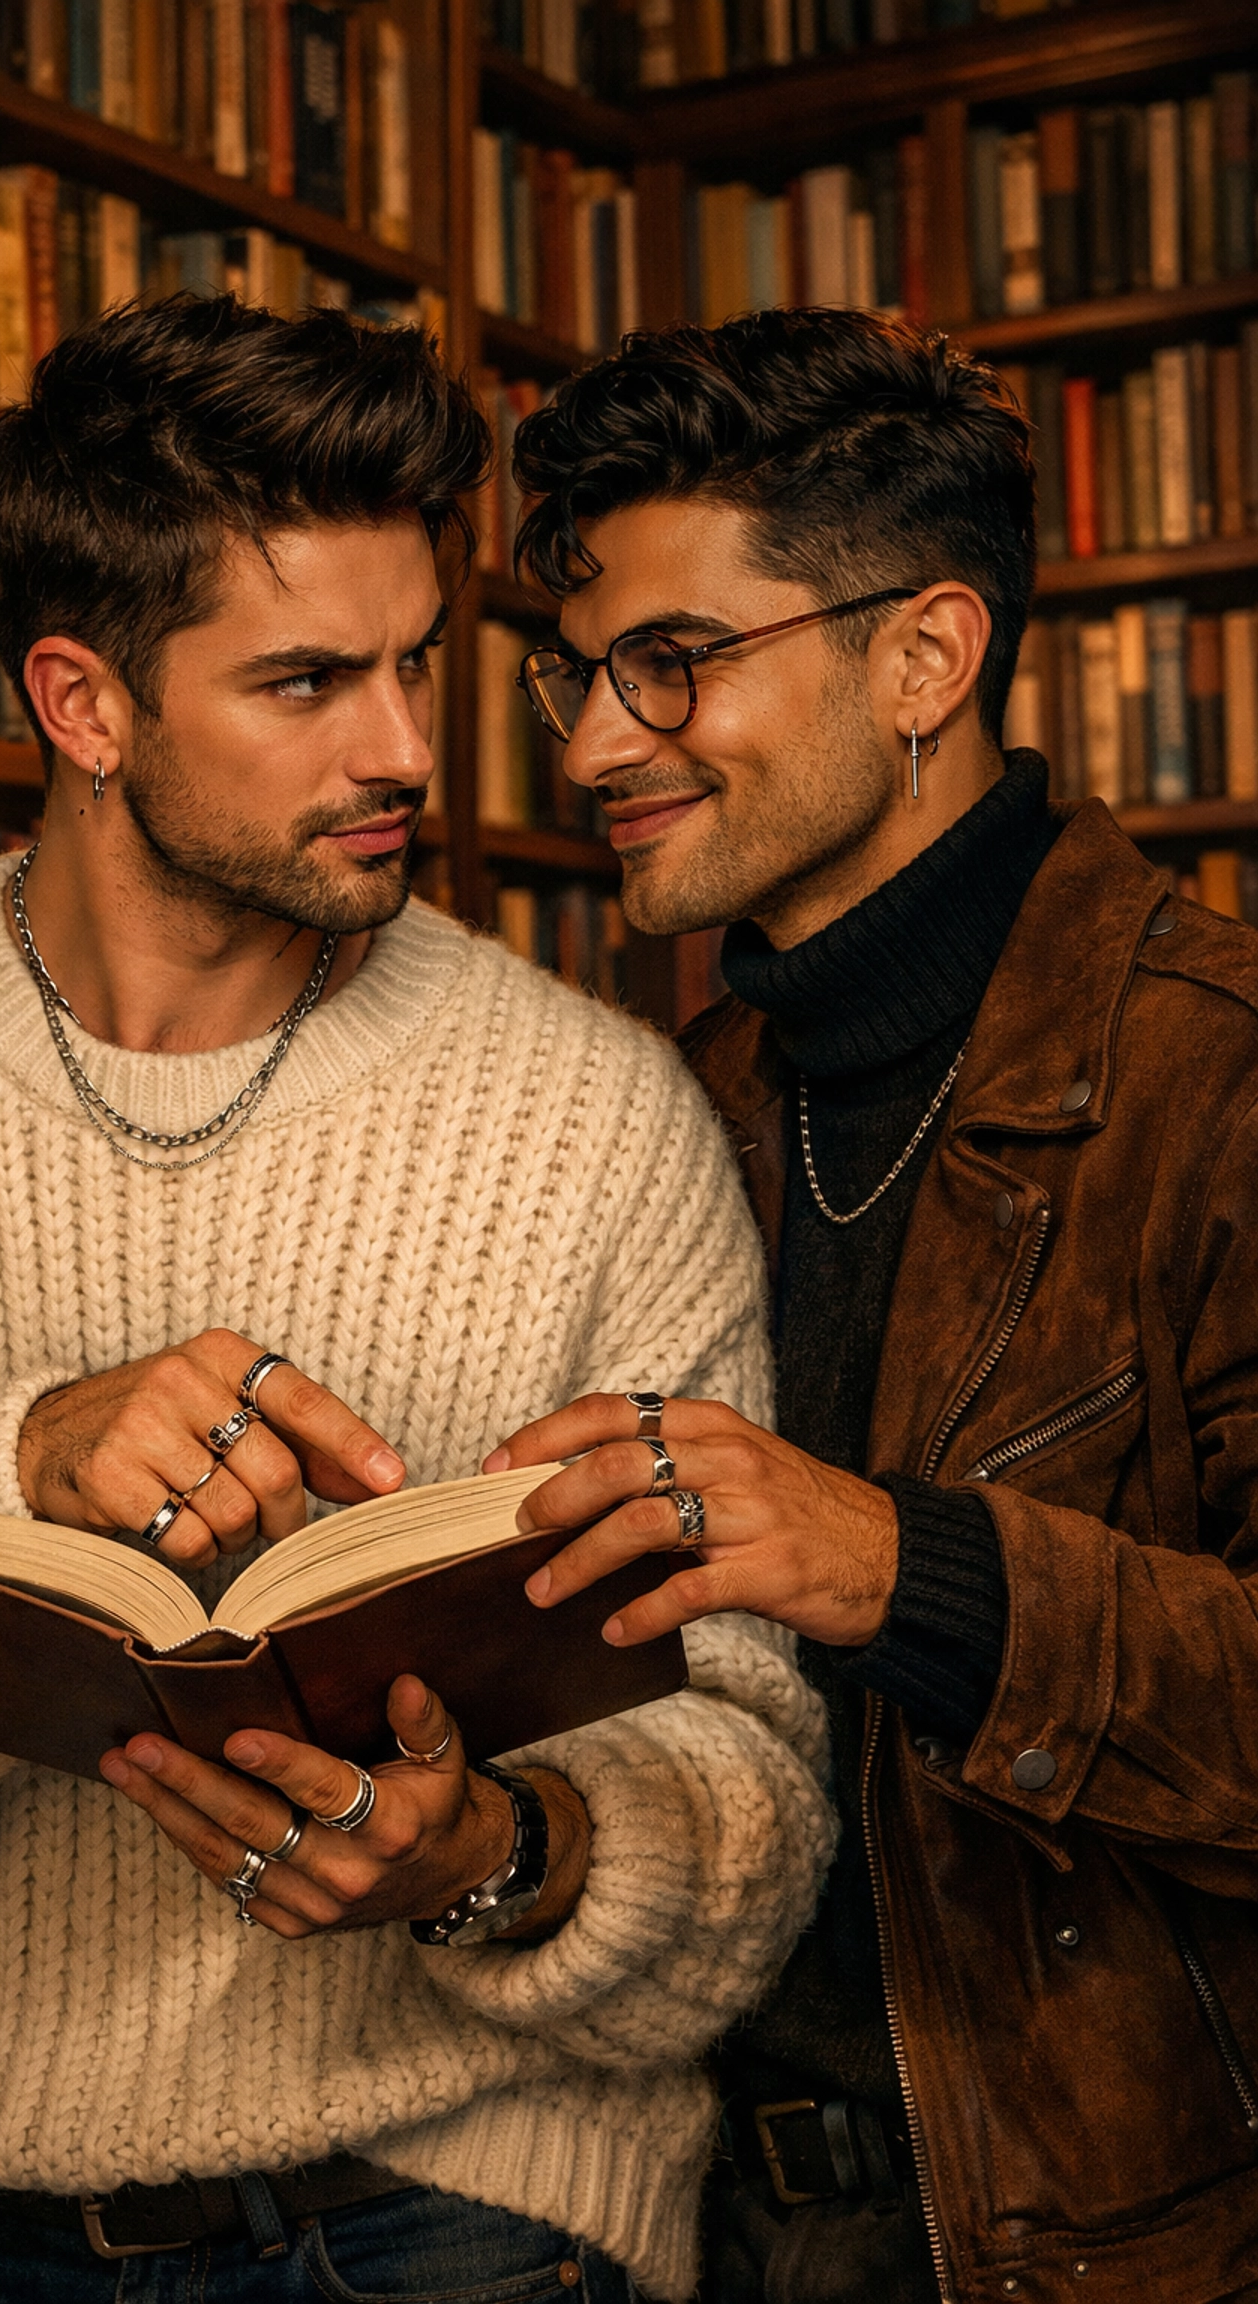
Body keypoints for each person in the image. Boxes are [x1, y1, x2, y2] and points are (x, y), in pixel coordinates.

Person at [0, 295, 834, 2304]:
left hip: (470, 2223)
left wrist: (499, 1857)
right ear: (83, 702)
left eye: (418, 663)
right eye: (309, 682)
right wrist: (16, 1475)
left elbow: (754, 1779)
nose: (407, 748)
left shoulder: (593, 1110)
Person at [486, 305, 1258, 2304]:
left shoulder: (1222, 1076)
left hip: (1094, 2246)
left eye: (675, 663)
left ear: (923, 656)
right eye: (575, 675)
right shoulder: (669, 1107)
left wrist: (901, 1565)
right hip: (686, 2219)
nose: (588, 747)